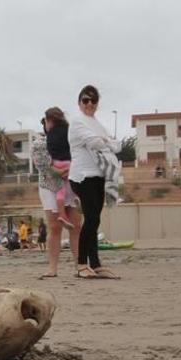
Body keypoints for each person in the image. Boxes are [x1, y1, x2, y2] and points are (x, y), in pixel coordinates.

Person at [68, 85, 120, 279]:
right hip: (82, 176)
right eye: (85, 100)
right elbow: (96, 142)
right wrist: (105, 141)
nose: (89, 103)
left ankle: (95, 263)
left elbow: (117, 144)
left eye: (93, 100)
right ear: (79, 101)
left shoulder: (96, 122)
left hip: (99, 175)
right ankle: (81, 264)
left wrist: (105, 141)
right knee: (91, 220)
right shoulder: (77, 121)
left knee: (95, 220)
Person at [34, 117, 83, 279]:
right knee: (55, 227)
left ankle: (80, 265)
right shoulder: (40, 143)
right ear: (45, 125)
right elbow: (41, 165)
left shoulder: (71, 141)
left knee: (76, 226)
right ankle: (52, 268)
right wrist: (60, 172)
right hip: (50, 186)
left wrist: (71, 171)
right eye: (50, 123)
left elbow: (80, 159)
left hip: (71, 184)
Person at [44, 107, 75, 229]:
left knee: (60, 191)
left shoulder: (49, 135)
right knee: (76, 184)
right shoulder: (69, 130)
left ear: (50, 120)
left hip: (56, 163)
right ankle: (79, 200)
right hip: (68, 163)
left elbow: (49, 154)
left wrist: (55, 168)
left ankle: (62, 214)